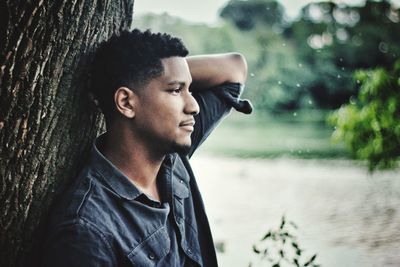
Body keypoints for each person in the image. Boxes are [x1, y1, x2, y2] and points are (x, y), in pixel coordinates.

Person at [40, 29, 252, 267]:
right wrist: (144, 75)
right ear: (126, 102)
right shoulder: (85, 230)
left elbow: (234, 68)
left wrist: (162, 73)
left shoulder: (172, 154)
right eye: (175, 90)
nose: (193, 106)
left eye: (189, 89)